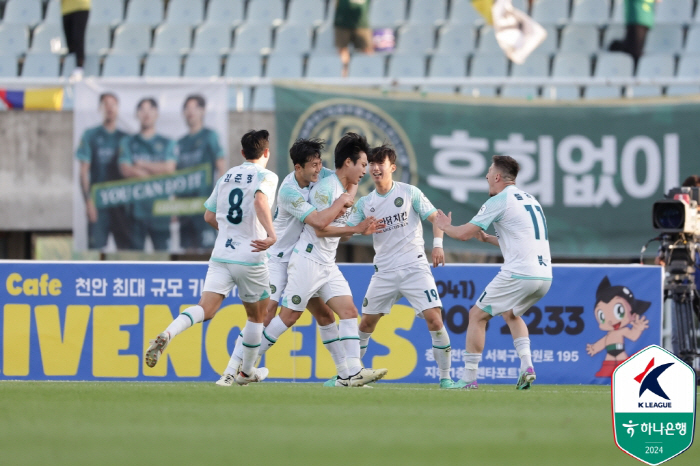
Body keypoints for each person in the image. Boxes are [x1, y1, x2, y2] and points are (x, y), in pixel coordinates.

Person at [217, 138, 370, 386]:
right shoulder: (288, 191)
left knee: (326, 317)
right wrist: (346, 210)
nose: (318, 169)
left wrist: (347, 193)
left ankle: (346, 374)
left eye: (320, 164)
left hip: (306, 258)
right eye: (313, 165)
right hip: (278, 258)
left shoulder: (323, 176)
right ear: (298, 168)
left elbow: (344, 186)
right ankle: (233, 368)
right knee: (265, 316)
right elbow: (320, 223)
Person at [145, 129, 278, 385]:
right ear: (266, 153)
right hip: (250, 255)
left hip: (221, 254)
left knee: (205, 309)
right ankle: (247, 371)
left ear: (241, 153)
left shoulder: (227, 175)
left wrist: (231, 231)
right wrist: (271, 235)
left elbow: (208, 215)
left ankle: (168, 333)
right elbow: (260, 201)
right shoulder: (267, 175)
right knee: (256, 317)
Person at [340, 144, 459, 389]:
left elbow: (437, 217)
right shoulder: (365, 203)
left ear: (392, 167)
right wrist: (359, 229)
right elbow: (345, 235)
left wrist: (438, 245)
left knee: (435, 319)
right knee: (365, 324)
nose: (374, 168)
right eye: (371, 164)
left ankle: (446, 378)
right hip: (384, 272)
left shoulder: (409, 193)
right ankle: (348, 375)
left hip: (414, 268)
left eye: (379, 163)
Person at [435, 155, 552, 390]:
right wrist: (488, 238)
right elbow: (521, 240)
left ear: (497, 177)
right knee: (511, 314)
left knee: (477, 315)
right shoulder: (531, 199)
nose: (486, 176)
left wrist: (445, 226)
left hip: (520, 273)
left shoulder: (500, 200)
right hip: (544, 275)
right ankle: (527, 366)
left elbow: (464, 234)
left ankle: (469, 378)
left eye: (489, 172)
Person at [118, 98, 177, 251]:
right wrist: (155, 172)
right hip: (135, 212)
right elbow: (126, 169)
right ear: (137, 114)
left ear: (156, 114)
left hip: (160, 211)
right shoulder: (128, 142)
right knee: (133, 259)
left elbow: (169, 168)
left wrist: (142, 165)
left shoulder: (167, 142)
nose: (146, 114)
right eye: (142, 110)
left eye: (150, 109)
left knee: (165, 257)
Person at [76, 92, 131, 250]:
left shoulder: (125, 138)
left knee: (127, 251)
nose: (109, 108)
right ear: (100, 108)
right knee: (95, 251)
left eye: (113, 104)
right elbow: (83, 172)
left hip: (121, 203)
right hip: (98, 203)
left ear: (118, 108)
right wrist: (88, 202)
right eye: (106, 104)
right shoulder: (90, 135)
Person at [176, 94, 226, 250]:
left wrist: (220, 198)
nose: (190, 112)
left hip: (205, 206)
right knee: (186, 251)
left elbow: (221, 167)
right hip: (184, 208)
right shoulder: (180, 143)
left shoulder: (210, 136)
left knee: (208, 250)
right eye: (187, 108)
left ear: (203, 111)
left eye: (195, 107)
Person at [609, 0, 657, 64]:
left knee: (634, 51)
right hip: (641, 16)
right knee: (635, 50)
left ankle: (615, 47)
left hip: (639, 16)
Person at [334, 0, 373, 77]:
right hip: (342, 22)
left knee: (366, 50)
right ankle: (344, 75)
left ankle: (367, 73)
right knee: (342, 50)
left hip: (361, 23)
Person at [61, 0, 90, 81]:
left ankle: (79, 67)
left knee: (78, 37)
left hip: (81, 5)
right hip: (65, 9)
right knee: (69, 42)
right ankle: (71, 68)